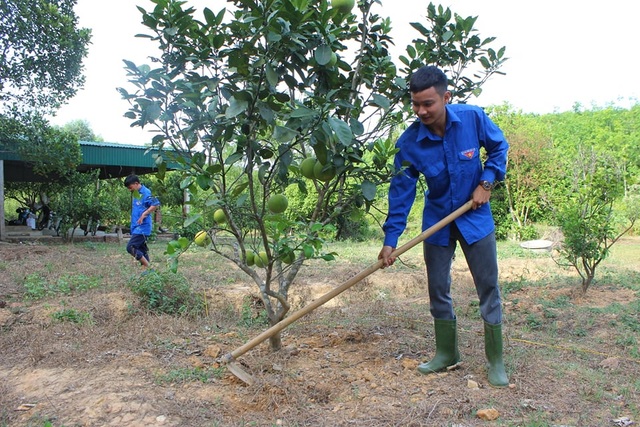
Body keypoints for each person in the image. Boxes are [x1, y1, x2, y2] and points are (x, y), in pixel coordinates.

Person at [377, 66, 509, 387]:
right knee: (438, 288)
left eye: (428, 103)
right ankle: (447, 354)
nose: (421, 111)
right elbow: (401, 196)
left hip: (475, 219)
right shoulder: (408, 144)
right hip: (437, 222)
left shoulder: (472, 118)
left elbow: (499, 147)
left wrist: (487, 182)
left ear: (446, 97)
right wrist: (391, 240)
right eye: (415, 104)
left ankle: (496, 361)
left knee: (487, 287)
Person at [124, 174, 160, 271]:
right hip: (137, 227)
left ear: (136, 183)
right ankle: (149, 276)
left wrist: (145, 213)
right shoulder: (137, 193)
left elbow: (155, 204)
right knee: (142, 251)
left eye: (130, 187)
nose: (129, 190)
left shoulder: (146, 192)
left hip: (142, 228)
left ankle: (150, 269)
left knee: (130, 247)